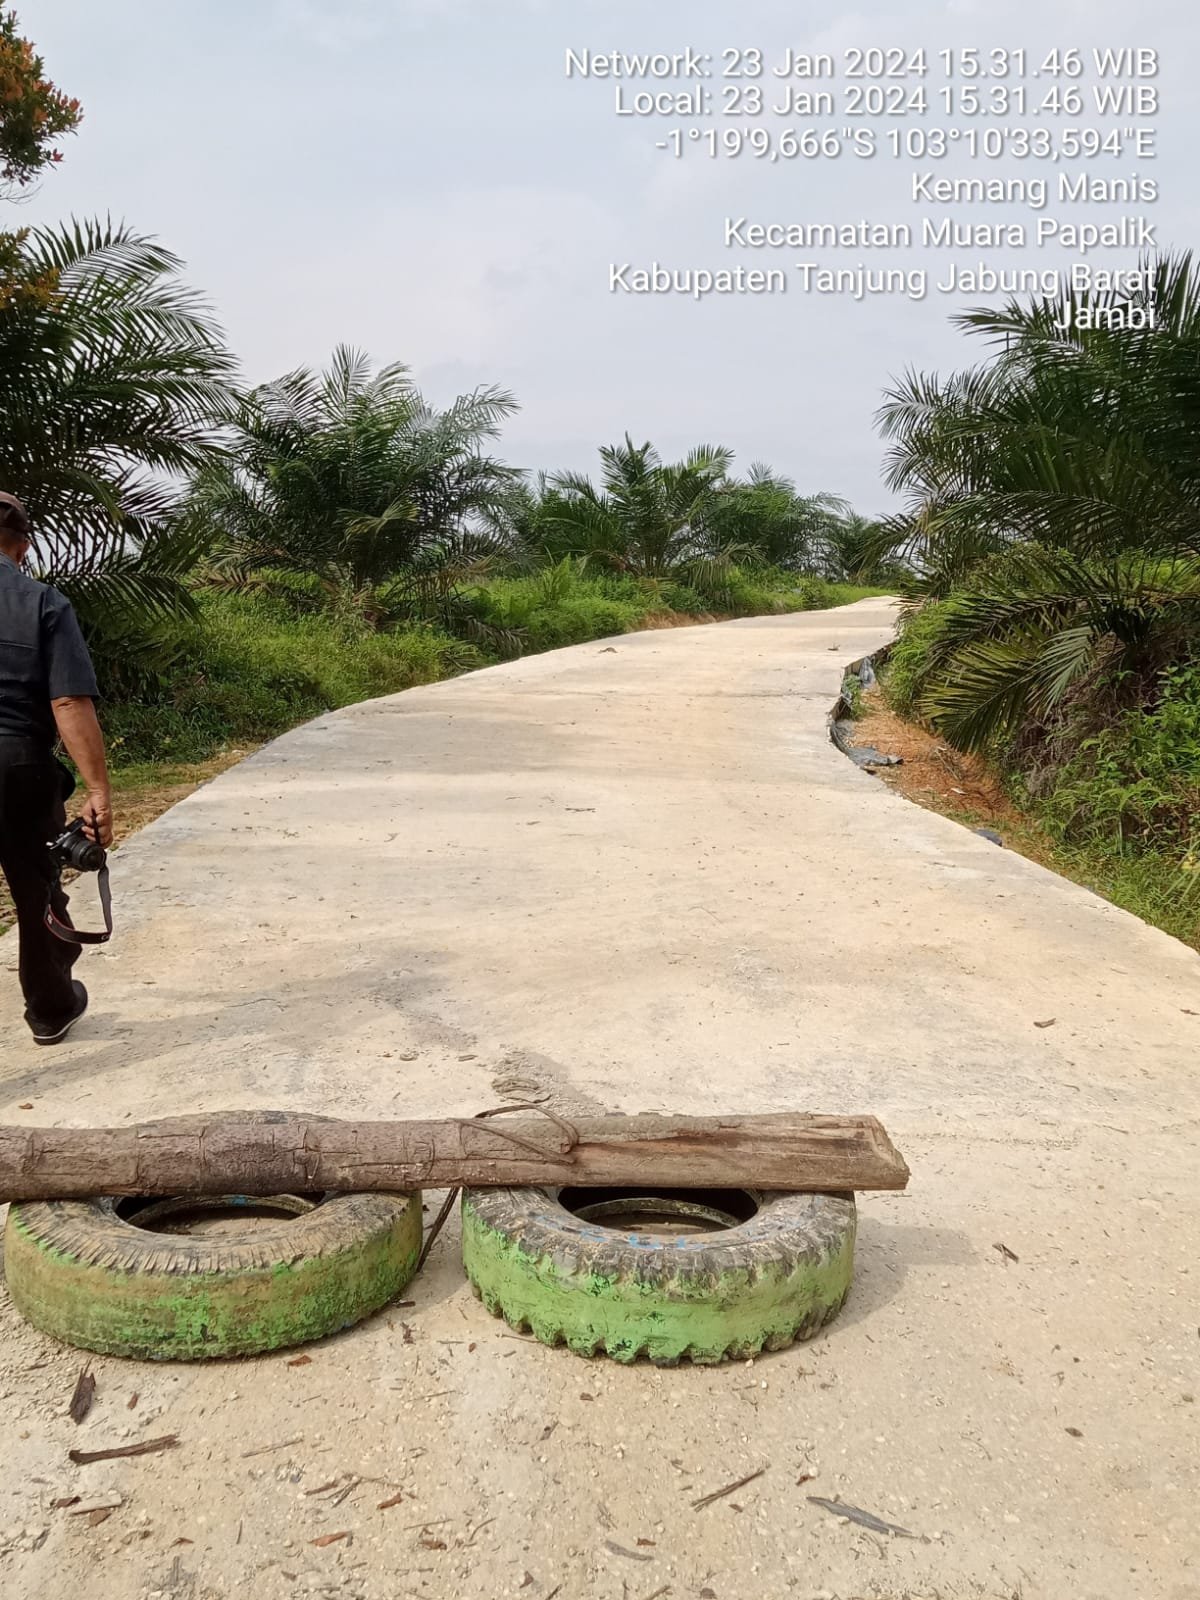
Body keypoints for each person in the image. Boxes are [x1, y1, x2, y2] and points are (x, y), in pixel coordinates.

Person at [0, 491, 113, 1044]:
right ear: (23, 544)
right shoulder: (41, 601)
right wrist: (97, 789)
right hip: (19, 767)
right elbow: (68, 702)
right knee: (35, 890)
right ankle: (49, 1009)